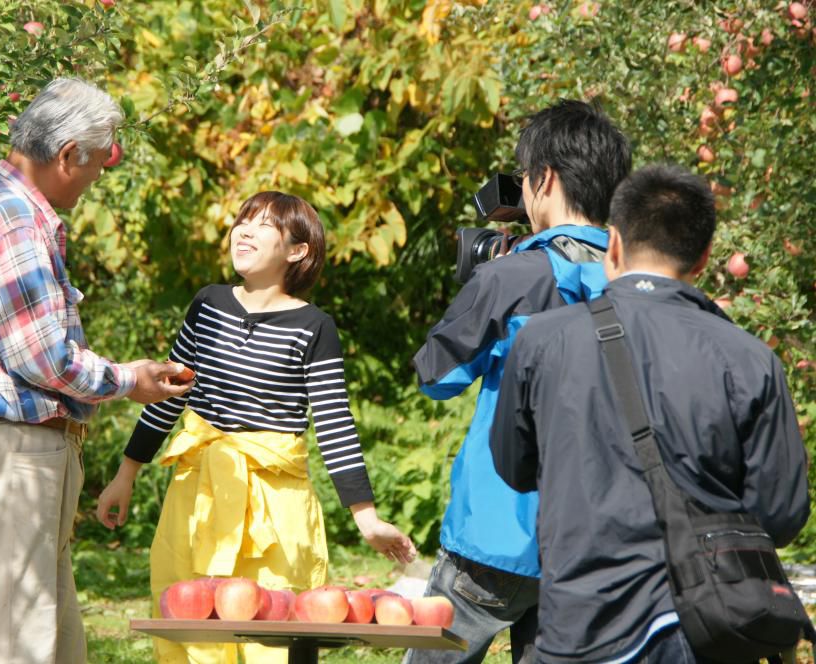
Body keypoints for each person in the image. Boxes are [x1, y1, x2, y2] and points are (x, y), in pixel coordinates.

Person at [490, 164, 810, 663]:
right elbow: (782, 514)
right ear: (703, 257)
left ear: (612, 244)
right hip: (707, 626)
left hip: (578, 624)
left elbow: (513, 466)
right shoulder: (750, 358)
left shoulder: (541, 340)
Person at [97, 191, 418, 664]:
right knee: (193, 625)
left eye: (263, 224)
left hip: (275, 503)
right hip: (199, 493)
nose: (243, 231)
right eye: (242, 220)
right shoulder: (207, 305)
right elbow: (169, 393)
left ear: (297, 250)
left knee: (274, 628)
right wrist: (127, 473)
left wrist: (365, 518)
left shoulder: (314, 326)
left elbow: (333, 423)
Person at [0, 78, 191, 664]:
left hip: (11, 451)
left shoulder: (7, 206)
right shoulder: (19, 221)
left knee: (48, 642)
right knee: (16, 646)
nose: (99, 176)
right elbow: (43, 360)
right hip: (12, 454)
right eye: (98, 164)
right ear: (69, 153)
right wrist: (131, 381)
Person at [408, 100, 632, 663]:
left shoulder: (511, 275)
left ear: (544, 179)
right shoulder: (636, 280)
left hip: (496, 539)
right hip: (596, 545)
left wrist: (485, 281)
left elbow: (436, 376)